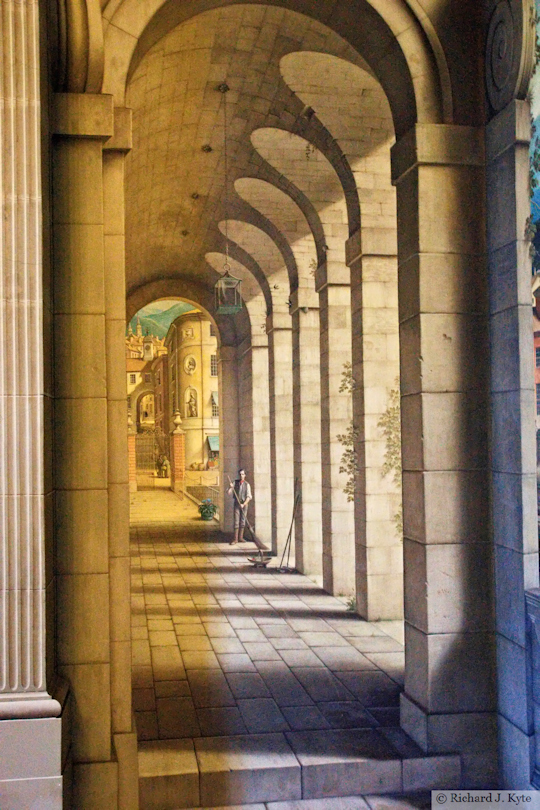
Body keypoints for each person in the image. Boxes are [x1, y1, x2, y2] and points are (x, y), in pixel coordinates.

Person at [227, 469, 252, 545]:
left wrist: (243, 504)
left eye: (243, 474)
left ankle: (241, 538)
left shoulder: (247, 485)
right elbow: (228, 493)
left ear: (245, 475)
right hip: (237, 504)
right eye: (240, 474)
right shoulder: (235, 482)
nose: (241, 476)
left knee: (243, 521)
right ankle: (235, 539)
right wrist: (231, 487)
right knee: (236, 521)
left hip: (244, 504)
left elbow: (249, 497)